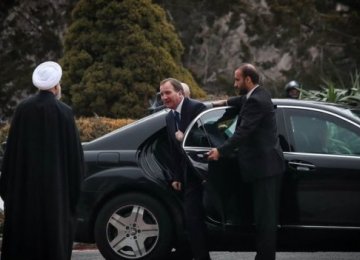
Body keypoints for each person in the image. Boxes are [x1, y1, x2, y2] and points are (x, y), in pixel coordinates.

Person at [0, 61, 84, 260]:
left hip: (24, 194)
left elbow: (10, 155)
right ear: (56, 86)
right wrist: (73, 195)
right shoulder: (65, 113)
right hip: (57, 195)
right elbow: (75, 159)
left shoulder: (22, 109)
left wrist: (8, 192)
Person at [207, 64, 284, 260]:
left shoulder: (256, 101)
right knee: (262, 217)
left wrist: (220, 151)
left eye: (237, 80)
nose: (235, 83)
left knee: (265, 220)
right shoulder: (260, 95)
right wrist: (221, 103)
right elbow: (242, 100)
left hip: (264, 169)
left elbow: (242, 133)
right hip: (265, 167)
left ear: (248, 80)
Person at [160, 78, 210, 260]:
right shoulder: (169, 116)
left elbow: (209, 137)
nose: (164, 97)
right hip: (189, 177)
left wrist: (186, 136)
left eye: (168, 93)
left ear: (180, 93)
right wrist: (176, 177)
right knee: (192, 220)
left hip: (206, 174)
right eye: (162, 94)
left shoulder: (197, 108)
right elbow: (174, 151)